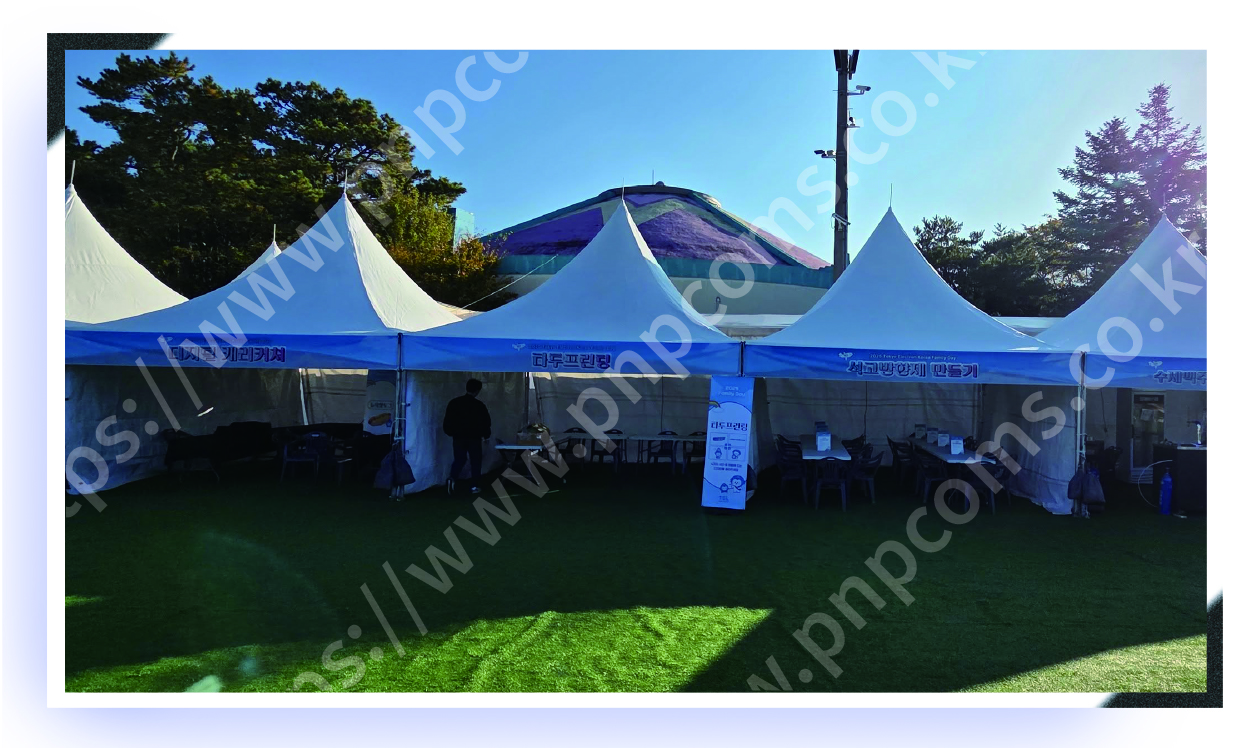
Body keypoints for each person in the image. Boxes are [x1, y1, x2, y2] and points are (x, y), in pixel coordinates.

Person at [443, 378, 491, 494]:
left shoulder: (454, 403)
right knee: (476, 461)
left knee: (459, 459)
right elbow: (486, 422)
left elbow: (448, 421)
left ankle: (452, 478)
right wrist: (486, 435)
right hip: (474, 437)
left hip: (458, 437)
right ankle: (474, 486)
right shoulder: (479, 405)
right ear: (477, 391)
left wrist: (451, 432)